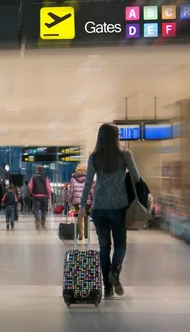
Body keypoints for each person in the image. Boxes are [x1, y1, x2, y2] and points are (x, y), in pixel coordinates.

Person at [79, 123, 140, 299]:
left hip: (99, 208)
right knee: (120, 245)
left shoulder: (94, 157)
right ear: (115, 137)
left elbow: (88, 181)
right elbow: (136, 178)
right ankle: (115, 271)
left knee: (104, 247)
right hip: (119, 207)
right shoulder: (125, 154)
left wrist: (83, 204)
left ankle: (107, 288)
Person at [70, 163, 94, 240]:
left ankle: (80, 234)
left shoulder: (73, 179)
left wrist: (70, 200)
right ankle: (86, 234)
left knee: (79, 216)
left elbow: (71, 190)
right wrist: (93, 199)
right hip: (87, 200)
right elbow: (92, 190)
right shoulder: (89, 178)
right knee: (86, 216)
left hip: (76, 200)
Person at [29, 165, 51, 230]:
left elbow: (30, 186)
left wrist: (32, 193)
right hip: (44, 196)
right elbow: (48, 187)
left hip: (36, 195)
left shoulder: (33, 177)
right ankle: (43, 224)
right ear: (42, 170)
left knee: (36, 209)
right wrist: (49, 195)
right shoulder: (45, 177)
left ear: (37, 170)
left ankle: (37, 220)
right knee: (43, 210)